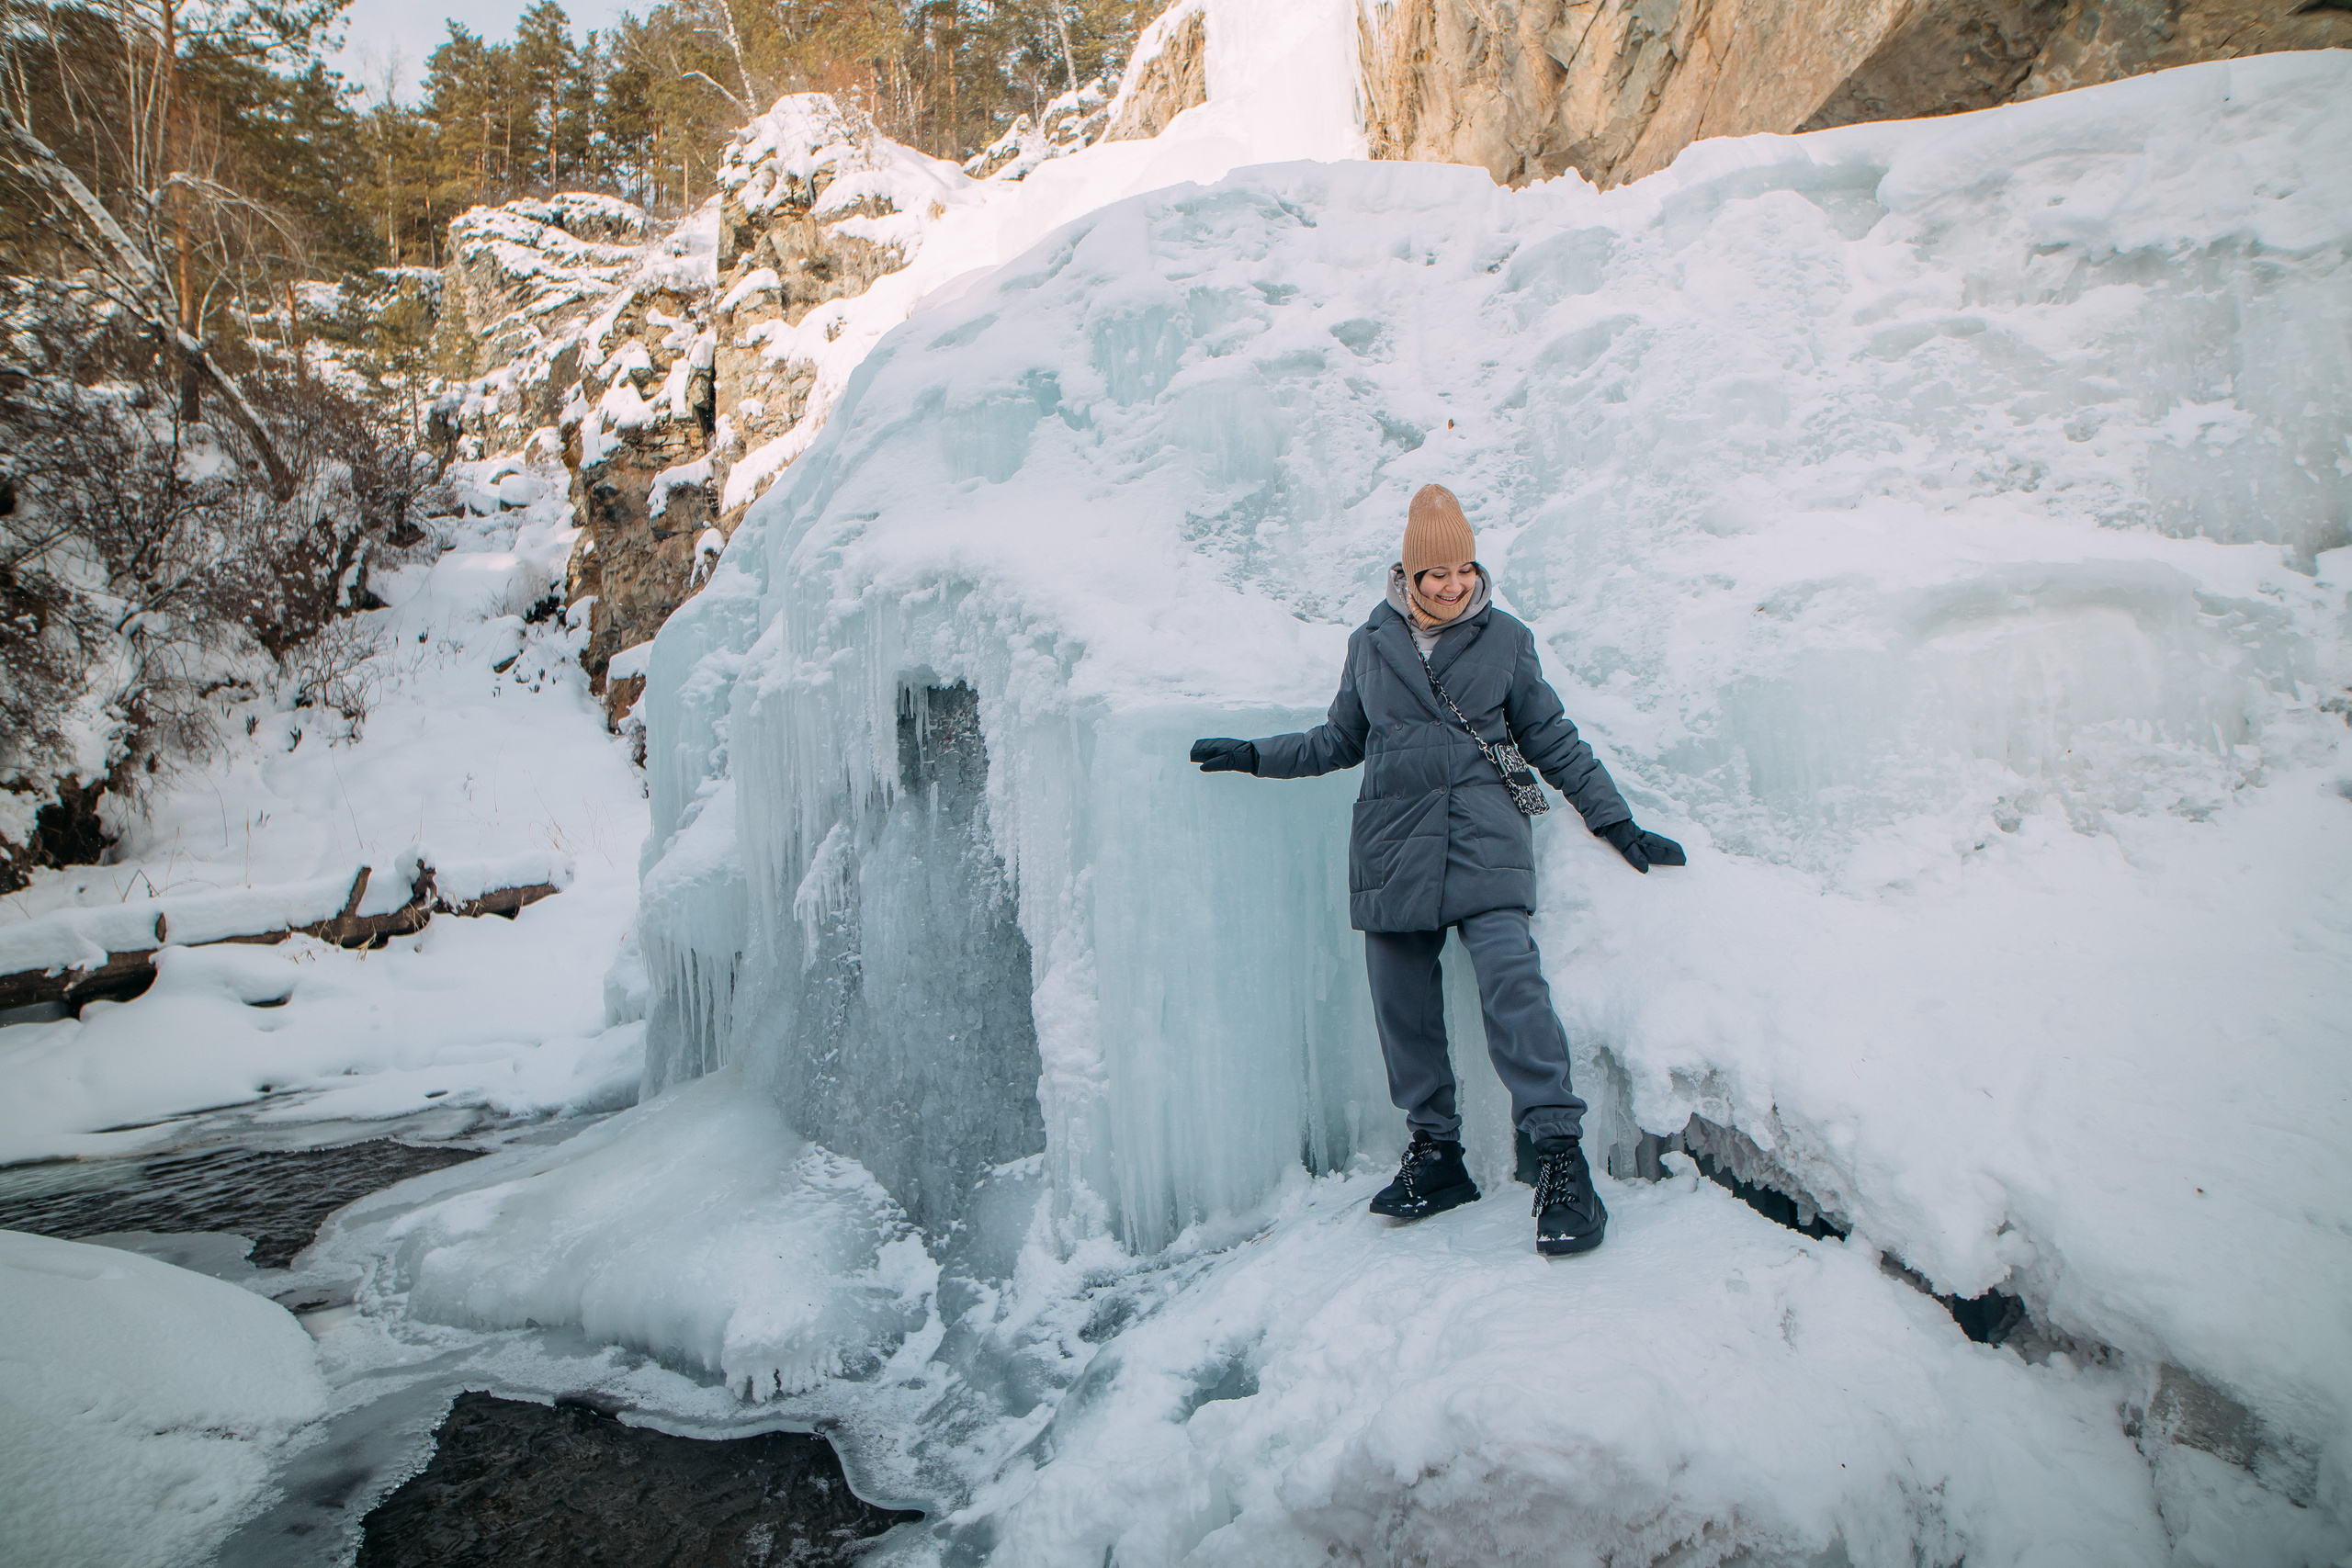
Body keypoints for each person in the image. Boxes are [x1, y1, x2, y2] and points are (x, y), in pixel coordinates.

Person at [1188, 484, 1685, 1256]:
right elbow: (1336, 741)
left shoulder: (1506, 640)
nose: (1452, 585)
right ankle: (1438, 1153)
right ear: (1407, 576)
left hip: (1481, 835)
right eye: (1435, 574)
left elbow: (1552, 740)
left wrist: (1616, 822)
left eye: (1462, 569)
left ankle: (1561, 1159)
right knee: (1401, 1011)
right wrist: (1255, 756)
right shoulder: (1370, 643)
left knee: (1512, 988)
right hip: (1391, 844)